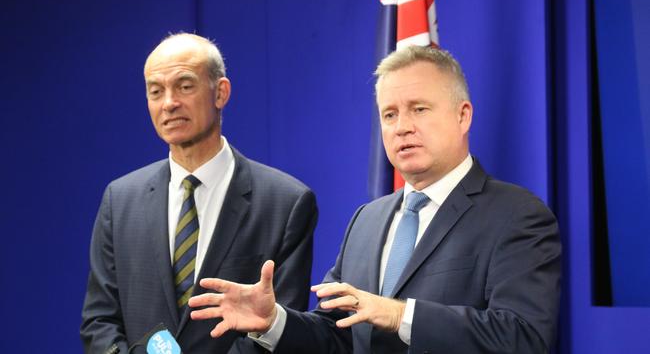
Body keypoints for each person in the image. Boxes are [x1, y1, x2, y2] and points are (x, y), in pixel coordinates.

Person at [188, 46, 562, 353]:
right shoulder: (366, 220)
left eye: (419, 109)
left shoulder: (517, 216)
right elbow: (336, 337)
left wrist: (400, 315)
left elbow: (524, 338)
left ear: (463, 116)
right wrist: (274, 321)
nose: (402, 127)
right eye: (390, 114)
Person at [80, 33, 318, 354]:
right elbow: (99, 321)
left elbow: (279, 329)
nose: (169, 103)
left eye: (185, 86)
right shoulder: (119, 199)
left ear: (220, 93)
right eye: (156, 91)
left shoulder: (285, 203)